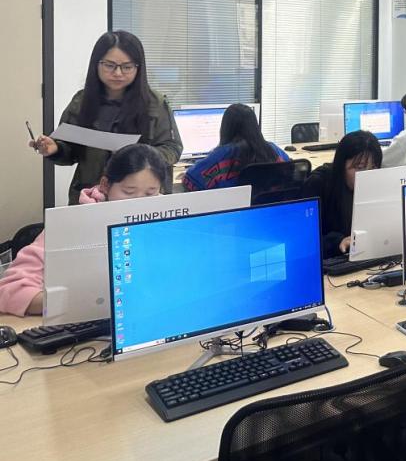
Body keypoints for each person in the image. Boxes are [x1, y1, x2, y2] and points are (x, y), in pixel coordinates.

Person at [0, 144, 166, 317]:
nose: (138, 204)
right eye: (128, 192)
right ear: (105, 185)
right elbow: (9, 289)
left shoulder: (169, 217)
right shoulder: (70, 225)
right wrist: (79, 301)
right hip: (85, 324)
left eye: (150, 193)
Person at [28, 31, 182, 203]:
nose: (118, 73)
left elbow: (173, 148)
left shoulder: (155, 103)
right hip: (90, 196)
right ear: (96, 64)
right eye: (110, 65)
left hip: (141, 196)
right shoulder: (81, 101)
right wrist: (55, 149)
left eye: (127, 67)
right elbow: (71, 151)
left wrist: (140, 155)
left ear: (138, 68)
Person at [301, 130, 381, 258]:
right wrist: (337, 242)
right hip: (330, 260)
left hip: (366, 256)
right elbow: (304, 239)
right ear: (341, 165)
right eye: (359, 167)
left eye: (373, 168)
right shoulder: (318, 184)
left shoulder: (377, 183)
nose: (366, 175)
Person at [182, 104, 288, 191]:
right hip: (272, 208)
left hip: (233, 209)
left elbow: (190, 181)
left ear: (226, 128)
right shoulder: (273, 150)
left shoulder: (222, 155)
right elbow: (291, 170)